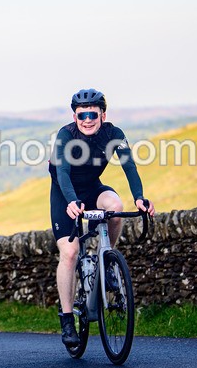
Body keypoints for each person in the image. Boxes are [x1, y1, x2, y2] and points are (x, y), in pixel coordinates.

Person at [49, 88, 155, 346]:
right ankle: (66, 319)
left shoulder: (114, 135)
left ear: (103, 115)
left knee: (115, 208)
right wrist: (72, 201)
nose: (87, 119)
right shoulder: (65, 135)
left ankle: (107, 258)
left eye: (92, 114)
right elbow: (62, 172)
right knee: (70, 253)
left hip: (92, 188)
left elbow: (129, 165)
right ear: (74, 116)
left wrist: (140, 198)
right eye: (81, 114)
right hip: (65, 194)